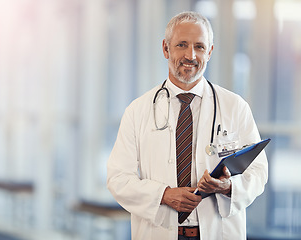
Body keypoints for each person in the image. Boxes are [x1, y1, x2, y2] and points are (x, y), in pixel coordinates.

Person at [107, 11, 268, 240]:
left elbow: (258, 172)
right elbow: (118, 178)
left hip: (218, 231)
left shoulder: (235, 107)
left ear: (210, 52)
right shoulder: (137, 110)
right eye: (182, 45)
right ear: (166, 48)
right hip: (159, 231)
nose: (190, 55)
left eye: (200, 47)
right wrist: (164, 195)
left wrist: (228, 187)